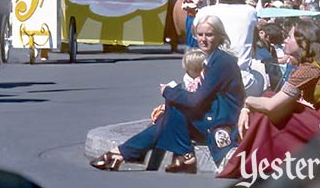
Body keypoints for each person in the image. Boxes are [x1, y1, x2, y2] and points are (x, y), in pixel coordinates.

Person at [91, 14, 245, 173]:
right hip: (212, 112)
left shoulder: (221, 61)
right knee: (169, 113)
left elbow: (196, 100)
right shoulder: (213, 58)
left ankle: (129, 153)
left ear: (220, 36)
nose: (203, 39)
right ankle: (128, 153)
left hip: (222, 118)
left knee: (173, 109)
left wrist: (168, 92)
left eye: (209, 35)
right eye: (200, 35)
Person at [219, 16, 320, 179]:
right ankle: (251, 158)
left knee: (269, 107)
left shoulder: (308, 70)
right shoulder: (318, 64)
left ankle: (248, 158)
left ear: (303, 43)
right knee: (272, 103)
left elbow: (271, 105)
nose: (285, 40)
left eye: (289, 37)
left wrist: (247, 103)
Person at [202, 0, 266, 96]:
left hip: (208, 78)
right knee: (261, 74)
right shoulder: (249, 12)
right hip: (241, 80)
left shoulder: (204, 13)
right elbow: (253, 48)